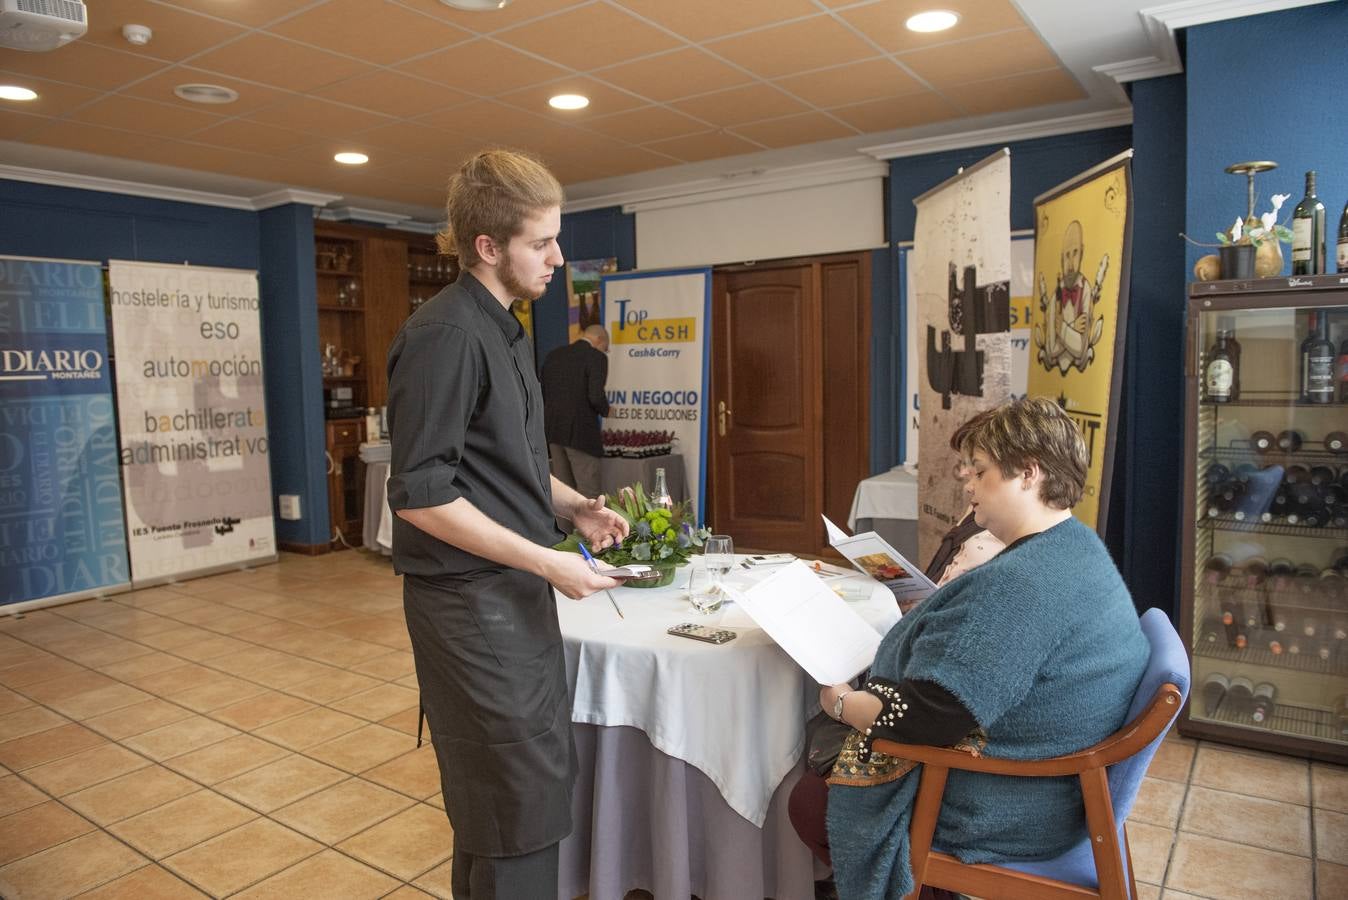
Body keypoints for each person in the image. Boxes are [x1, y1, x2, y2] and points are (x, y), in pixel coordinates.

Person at [385, 149, 629, 900]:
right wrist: (548, 562)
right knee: (515, 801)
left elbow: (503, 464)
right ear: (487, 247)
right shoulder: (448, 335)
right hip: (469, 604)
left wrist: (570, 507)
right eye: (540, 243)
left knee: (515, 805)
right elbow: (421, 494)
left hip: (509, 595)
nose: (558, 258)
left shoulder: (506, 327)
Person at [790, 397, 1148, 900]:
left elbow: (931, 717)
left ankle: (930, 888)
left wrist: (842, 702)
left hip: (1012, 804)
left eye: (979, 471)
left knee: (808, 800)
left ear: (1028, 473)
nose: (966, 482)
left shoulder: (1025, 585)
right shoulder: (1076, 546)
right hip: (1059, 789)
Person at [541, 323, 611, 499]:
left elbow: (543, 392)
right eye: (606, 347)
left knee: (564, 496)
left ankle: (563, 528)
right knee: (589, 493)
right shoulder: (596, 357)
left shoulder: (553, 356)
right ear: (599, 339)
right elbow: (595, 395)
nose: (605, 351)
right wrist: (607, 410)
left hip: (553, 431)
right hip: (581, 434)